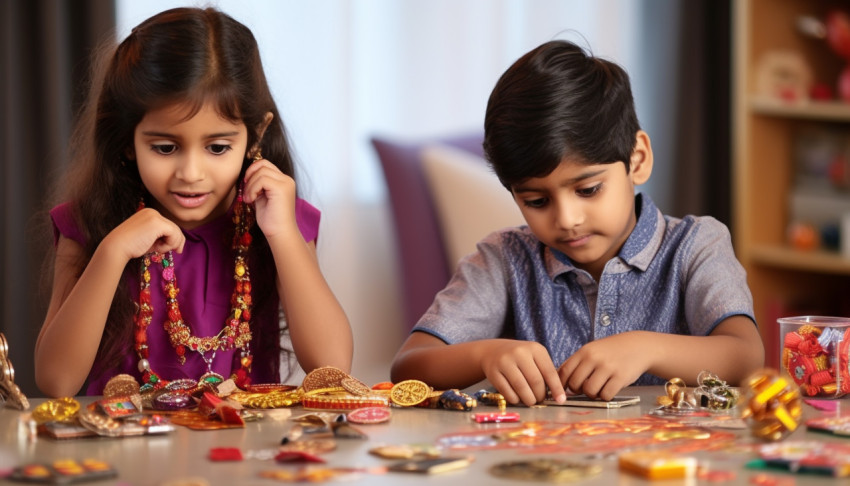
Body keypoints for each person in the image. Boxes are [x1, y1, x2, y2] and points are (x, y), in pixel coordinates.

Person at [391, 40, 764, 406]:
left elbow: (745, 357)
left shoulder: (697, 243)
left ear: (637, 159)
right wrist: (485, 355)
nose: (567, 219)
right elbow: (408, 365)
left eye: (587, 190)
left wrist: (647, 347)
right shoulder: (503, 259)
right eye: (536, 201)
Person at [35, 7, 353, 397]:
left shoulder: (281, 221)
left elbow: (333, 367)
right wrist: (112, 251)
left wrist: (282, 233)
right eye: (165, 147)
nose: (190, 172)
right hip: (121, 452)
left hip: (243, 452)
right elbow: (55, 381)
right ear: (127, 140)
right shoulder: (87, 224)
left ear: (255, 136)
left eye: (218, 147)